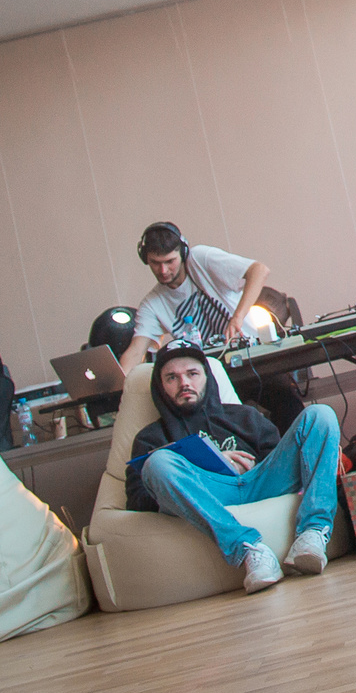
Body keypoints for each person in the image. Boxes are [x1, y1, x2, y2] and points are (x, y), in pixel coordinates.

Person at [123, 344, 340, 592]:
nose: (184, 382)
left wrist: (252, 466)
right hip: (210, 496)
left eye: (192, 374)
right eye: (172, 377)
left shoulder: (244, 416)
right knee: (157, 462)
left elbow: (279, 458)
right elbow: (137, 500)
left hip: (258, 483)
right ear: (160, 388)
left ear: (207, 378)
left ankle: (312, 532)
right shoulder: (149, 438)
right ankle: (250, 550)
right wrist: (200, 466)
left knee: (320, 415)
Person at [118, 224, 260, 403]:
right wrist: (119, 385)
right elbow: (136, 351)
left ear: (183, 254)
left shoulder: (201, 258)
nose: (163, 271)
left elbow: (259, 270)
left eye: (170, 261)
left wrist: (237, 317)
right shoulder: (151, 304)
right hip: (208, 379)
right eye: (155, 263)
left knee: (285, 401)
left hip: (250, 358)